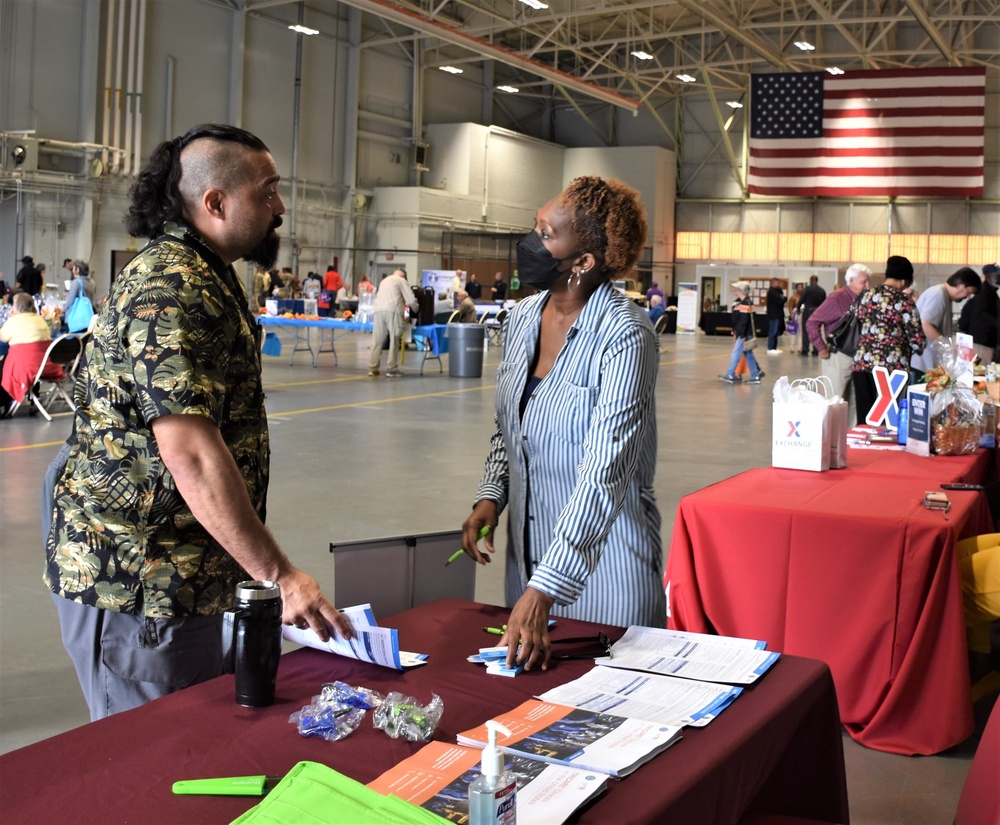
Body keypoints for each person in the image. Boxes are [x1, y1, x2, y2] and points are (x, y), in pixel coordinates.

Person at [43, 123, 352, 721]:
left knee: (187, 751)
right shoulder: (173, 286)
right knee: (146, 766)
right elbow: (188, 452)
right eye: (268, 192)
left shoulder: (206, 273)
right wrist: (279, 575)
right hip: (139, 582)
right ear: (215, 203)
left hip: (181, 577)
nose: (279, 207)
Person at [460, 176, 663, 672]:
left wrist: (548, 586)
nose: (529, 243)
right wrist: (491, 495)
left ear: (584, 261)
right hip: (528, 570)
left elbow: (606, 472)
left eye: (546, 234)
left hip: (607, 575)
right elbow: (511, 426)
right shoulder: (524, 317)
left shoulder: (624, 336)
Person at [852, 255, 925, 425]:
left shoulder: (866, 296)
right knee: (888, 423)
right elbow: (917, 341)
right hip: (891, 370)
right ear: (905, 280)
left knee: (865, 420)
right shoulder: (904, 301)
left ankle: (863, 450)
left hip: (862, 364)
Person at [806, 263, 872, 426]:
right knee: (834, 399)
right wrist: (821, 348)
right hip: (839, 355)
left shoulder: (864, 299)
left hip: (857, 356)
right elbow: (813, 322)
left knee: (853, 401)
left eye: (867, 282)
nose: (867, 286)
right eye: (863, 282)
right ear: (850, 280)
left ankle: (850, 437)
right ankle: (830, 437)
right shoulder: (837, 298)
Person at [911, 267, 982, 377]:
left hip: (927, 363)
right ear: (959, 283)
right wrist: (948, 347)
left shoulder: (944, 296)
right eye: (968, 292)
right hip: (922, 363)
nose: (967, 297)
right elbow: (925, 325)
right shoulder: (938, 294)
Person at [0, 291, 60, 414]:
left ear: (16, 307)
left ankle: (5, 402)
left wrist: (11, 317)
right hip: (45, 365)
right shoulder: (40, 320)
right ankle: (34, 397)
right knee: (30, 358)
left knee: (3, 366)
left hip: (25, 368)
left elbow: (3, 337)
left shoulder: (14, 321)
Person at [368, 267, 417, 377]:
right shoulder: (401, 280)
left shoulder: (384, 281)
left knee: (377, 340)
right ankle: (392, 368)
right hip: (393, 311)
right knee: (394, 339)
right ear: (403, 275)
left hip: (378, 311)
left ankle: (373, 368)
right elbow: (410, 300)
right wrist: (417, 309)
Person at [719, 281, 766, 384]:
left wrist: (742, 335)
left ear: (741, 291)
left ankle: (730, 374)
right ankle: (756, 375)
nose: (734, 291)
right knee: (748, 354)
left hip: (743, 333)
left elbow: (743, 321)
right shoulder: (745, 302)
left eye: (736, 289)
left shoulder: (745, 303)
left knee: (736, 353)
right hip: (745, 333)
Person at [958, 263, 999, 364]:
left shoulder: (991, 293)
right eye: (996, 276)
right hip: (981, 344)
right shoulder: (983, 293)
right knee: (980, 375)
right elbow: (980, 315)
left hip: (986, 344)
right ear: (988, 276)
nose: (998, 279)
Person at [798, 275, 827, 356]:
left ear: (810, 280)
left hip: (808, 311)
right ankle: (816, 350)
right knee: (816, 331)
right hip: (818, 312)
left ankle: (805, 350)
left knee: (806, 331)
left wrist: (798, 309)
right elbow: (824, 303)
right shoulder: (822, 290)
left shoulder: (807, 289)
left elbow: (801, 300)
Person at [765, 277, 785, 353]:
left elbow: (784, 298)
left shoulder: (778, 291)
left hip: (779, 314)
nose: (778, 284)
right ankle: (770, 348)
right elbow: (780, 300)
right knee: (772, 331)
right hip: (773, 314)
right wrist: (782, 298)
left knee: (776, 332)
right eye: (777, 282)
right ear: (772, 283)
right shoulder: (771, 292)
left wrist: (782, 297)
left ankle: (774, 347)